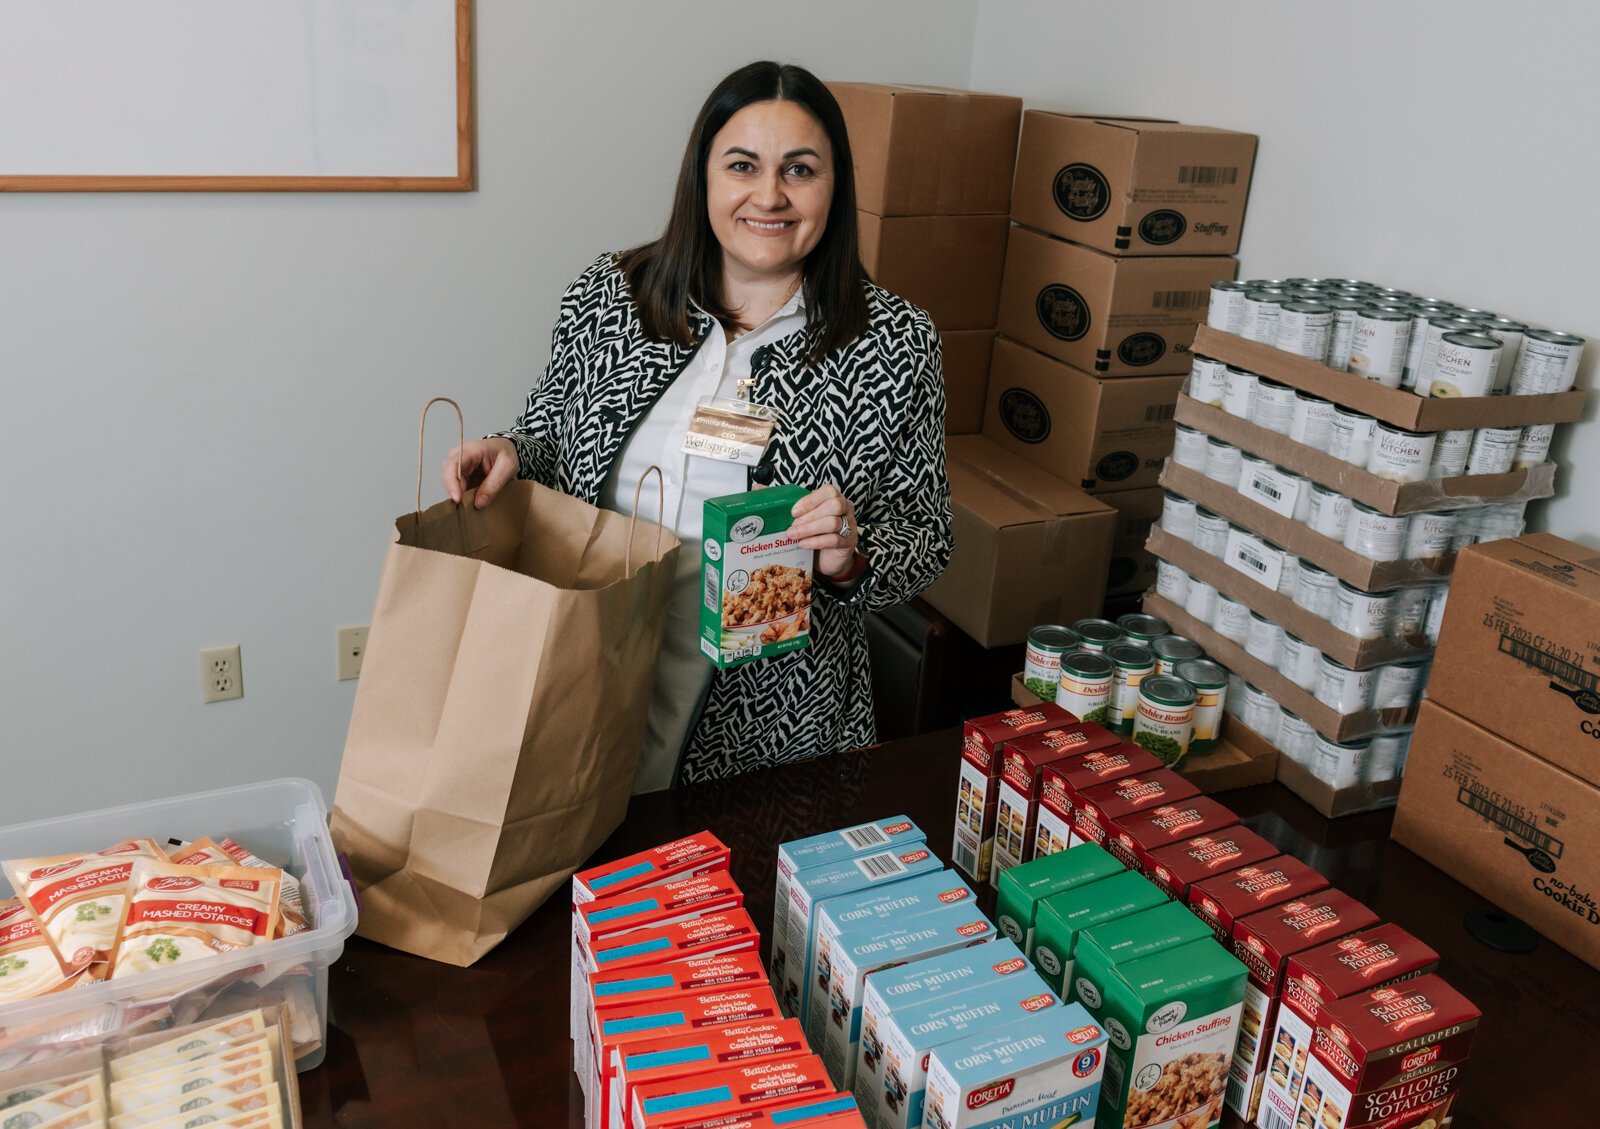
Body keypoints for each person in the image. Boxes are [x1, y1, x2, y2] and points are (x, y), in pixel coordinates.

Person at [443, 61, 952, 789]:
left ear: (835, 186)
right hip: (592, 670)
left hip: (779, 719)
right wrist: (509, 451)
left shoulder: (894, 342)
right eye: (742, 165)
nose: (769, 195)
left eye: (800, 170)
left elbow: (927, 531)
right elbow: (550, 435)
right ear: (703, 176)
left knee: (732, 896)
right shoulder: (610, 297)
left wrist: (850, 556)